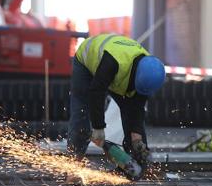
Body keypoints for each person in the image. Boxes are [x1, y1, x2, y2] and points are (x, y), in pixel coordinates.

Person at [68, 33, 165, 167]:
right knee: (81, 113)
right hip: (86, 64)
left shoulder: (148, 71)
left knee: (132, 117)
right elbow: (96, 92)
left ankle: (137, 165)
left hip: (118, 74)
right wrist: (98, 127)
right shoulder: (112, 62)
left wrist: (136, 136)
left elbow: (137, 107)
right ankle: (74, 165)